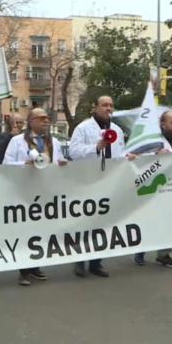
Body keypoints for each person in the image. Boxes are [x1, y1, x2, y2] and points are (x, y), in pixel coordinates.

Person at [69, 95, 135, 278]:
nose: (108, 108)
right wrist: (96, 147)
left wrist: (127, 157)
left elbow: (119, 154)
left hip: (109, 183)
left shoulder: (117, 130)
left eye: (111, 105)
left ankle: (96, 263)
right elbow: (73, 152)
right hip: (88, 182)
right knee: (84, 223)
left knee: (102, 223)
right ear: (95, 107)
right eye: (104, 105)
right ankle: (79, 261)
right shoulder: (83, 128)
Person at [3, 108, 67, 285]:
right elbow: (6, 164)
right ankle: (24, 270)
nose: (46, 121)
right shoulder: (17, 141)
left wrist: (61, 163)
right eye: (41, 118)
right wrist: (24, 164)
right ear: (31, 121)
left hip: (45, 193)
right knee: (24, 231)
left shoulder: (53, 142)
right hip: (23, 193)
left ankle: (35, 267)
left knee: (40, 231)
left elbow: (57, 162)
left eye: (47, 118)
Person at [132, 111, 172, 268]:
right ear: (163, 124)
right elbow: (137, 158)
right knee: (150, 221)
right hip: (153, 187)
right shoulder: (152, 140)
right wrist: (155, 154)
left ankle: (164, 254)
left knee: (170, 222)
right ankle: (140, 251)